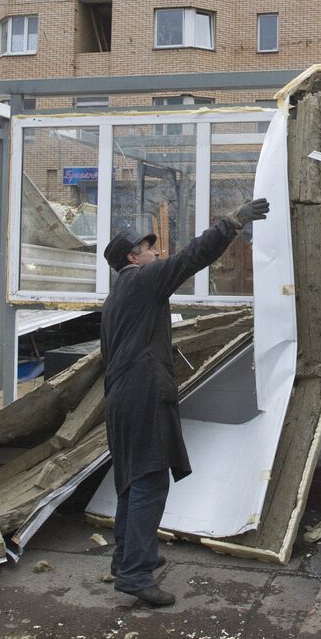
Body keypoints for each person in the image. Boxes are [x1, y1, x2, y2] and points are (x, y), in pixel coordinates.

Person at [100, 197, 270, 607]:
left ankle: (127, 558)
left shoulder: (118, 295)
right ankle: (136, 575)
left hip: (122, 397)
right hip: (142, 396)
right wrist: (230, 224)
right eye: (149, 249)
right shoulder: (140, 281)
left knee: (131, 479)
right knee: (149, 479)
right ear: (132, 257)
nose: (157, 253)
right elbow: (190, 259)